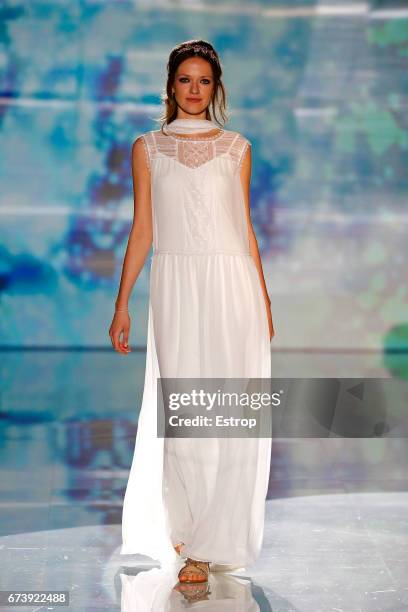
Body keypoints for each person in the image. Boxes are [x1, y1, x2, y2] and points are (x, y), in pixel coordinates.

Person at [109, 39, 275, 587]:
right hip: (176, 284)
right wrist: (122, 302)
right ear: (171, 85)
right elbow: (143, 229)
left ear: (217, 87)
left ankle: (207, 543)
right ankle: (187, 527)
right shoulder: (148, 148)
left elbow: (244, 227)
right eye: (185, 79)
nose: (195, 89)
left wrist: (264, 299)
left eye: (204, 80)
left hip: (233, 287)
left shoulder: (237, 148)